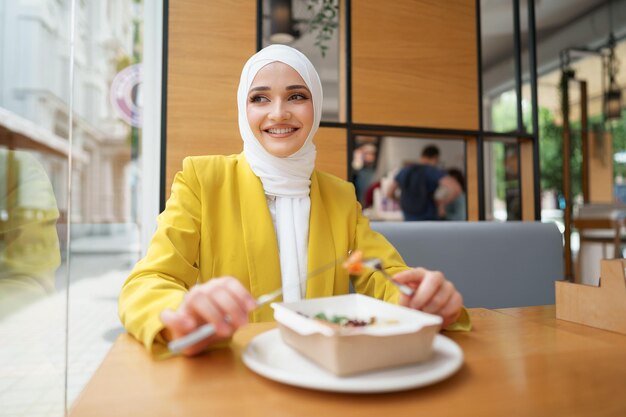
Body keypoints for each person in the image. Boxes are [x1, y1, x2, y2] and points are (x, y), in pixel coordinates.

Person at [118, 45, 469, 357]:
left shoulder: (340, 196)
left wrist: (421, 299)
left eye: (297, 96)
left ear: (316, 107)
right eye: (260, 98)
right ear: (243, 108)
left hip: (323, 375)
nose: (279, 112)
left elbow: (381, 274)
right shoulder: (204, 180)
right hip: (233, 377)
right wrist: (181, 314)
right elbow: (148, 281)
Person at [387, 145, 462, 221]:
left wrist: (400, 201)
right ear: (435, 158)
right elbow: (456, 189)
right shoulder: (432, 171)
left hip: (409, 218)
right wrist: (442, 203)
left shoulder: (405, 170)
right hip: (428, 218)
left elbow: (389, 192)